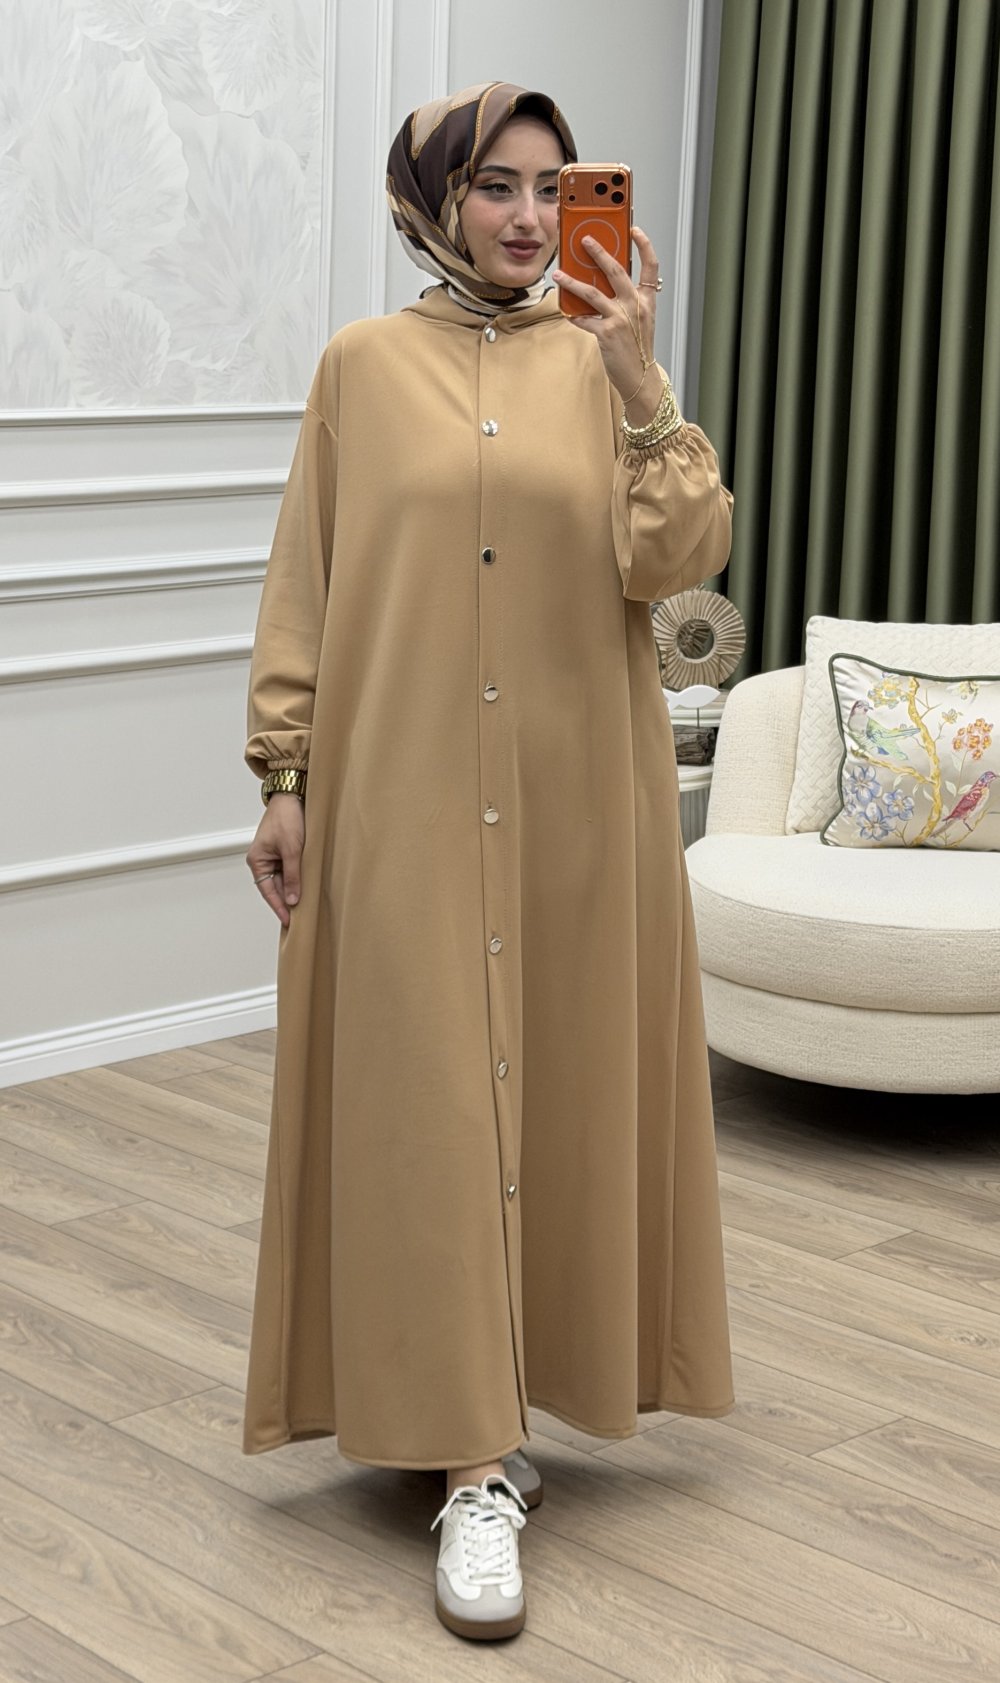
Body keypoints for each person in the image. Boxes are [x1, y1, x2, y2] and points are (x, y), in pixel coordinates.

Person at [242, 81, 735, 1644]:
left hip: (579, 802)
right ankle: (470, 1463)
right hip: (398, 798)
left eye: (551, 187)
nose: (528, 217)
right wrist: (283, 774)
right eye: (496, 186)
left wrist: (639, 377)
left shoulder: (605, 366)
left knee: (556, 1093)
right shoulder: (359, 368)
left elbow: (680, 559)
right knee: (433, 1105)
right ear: (437, 200)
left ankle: (504, 1422)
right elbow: (307, 581)